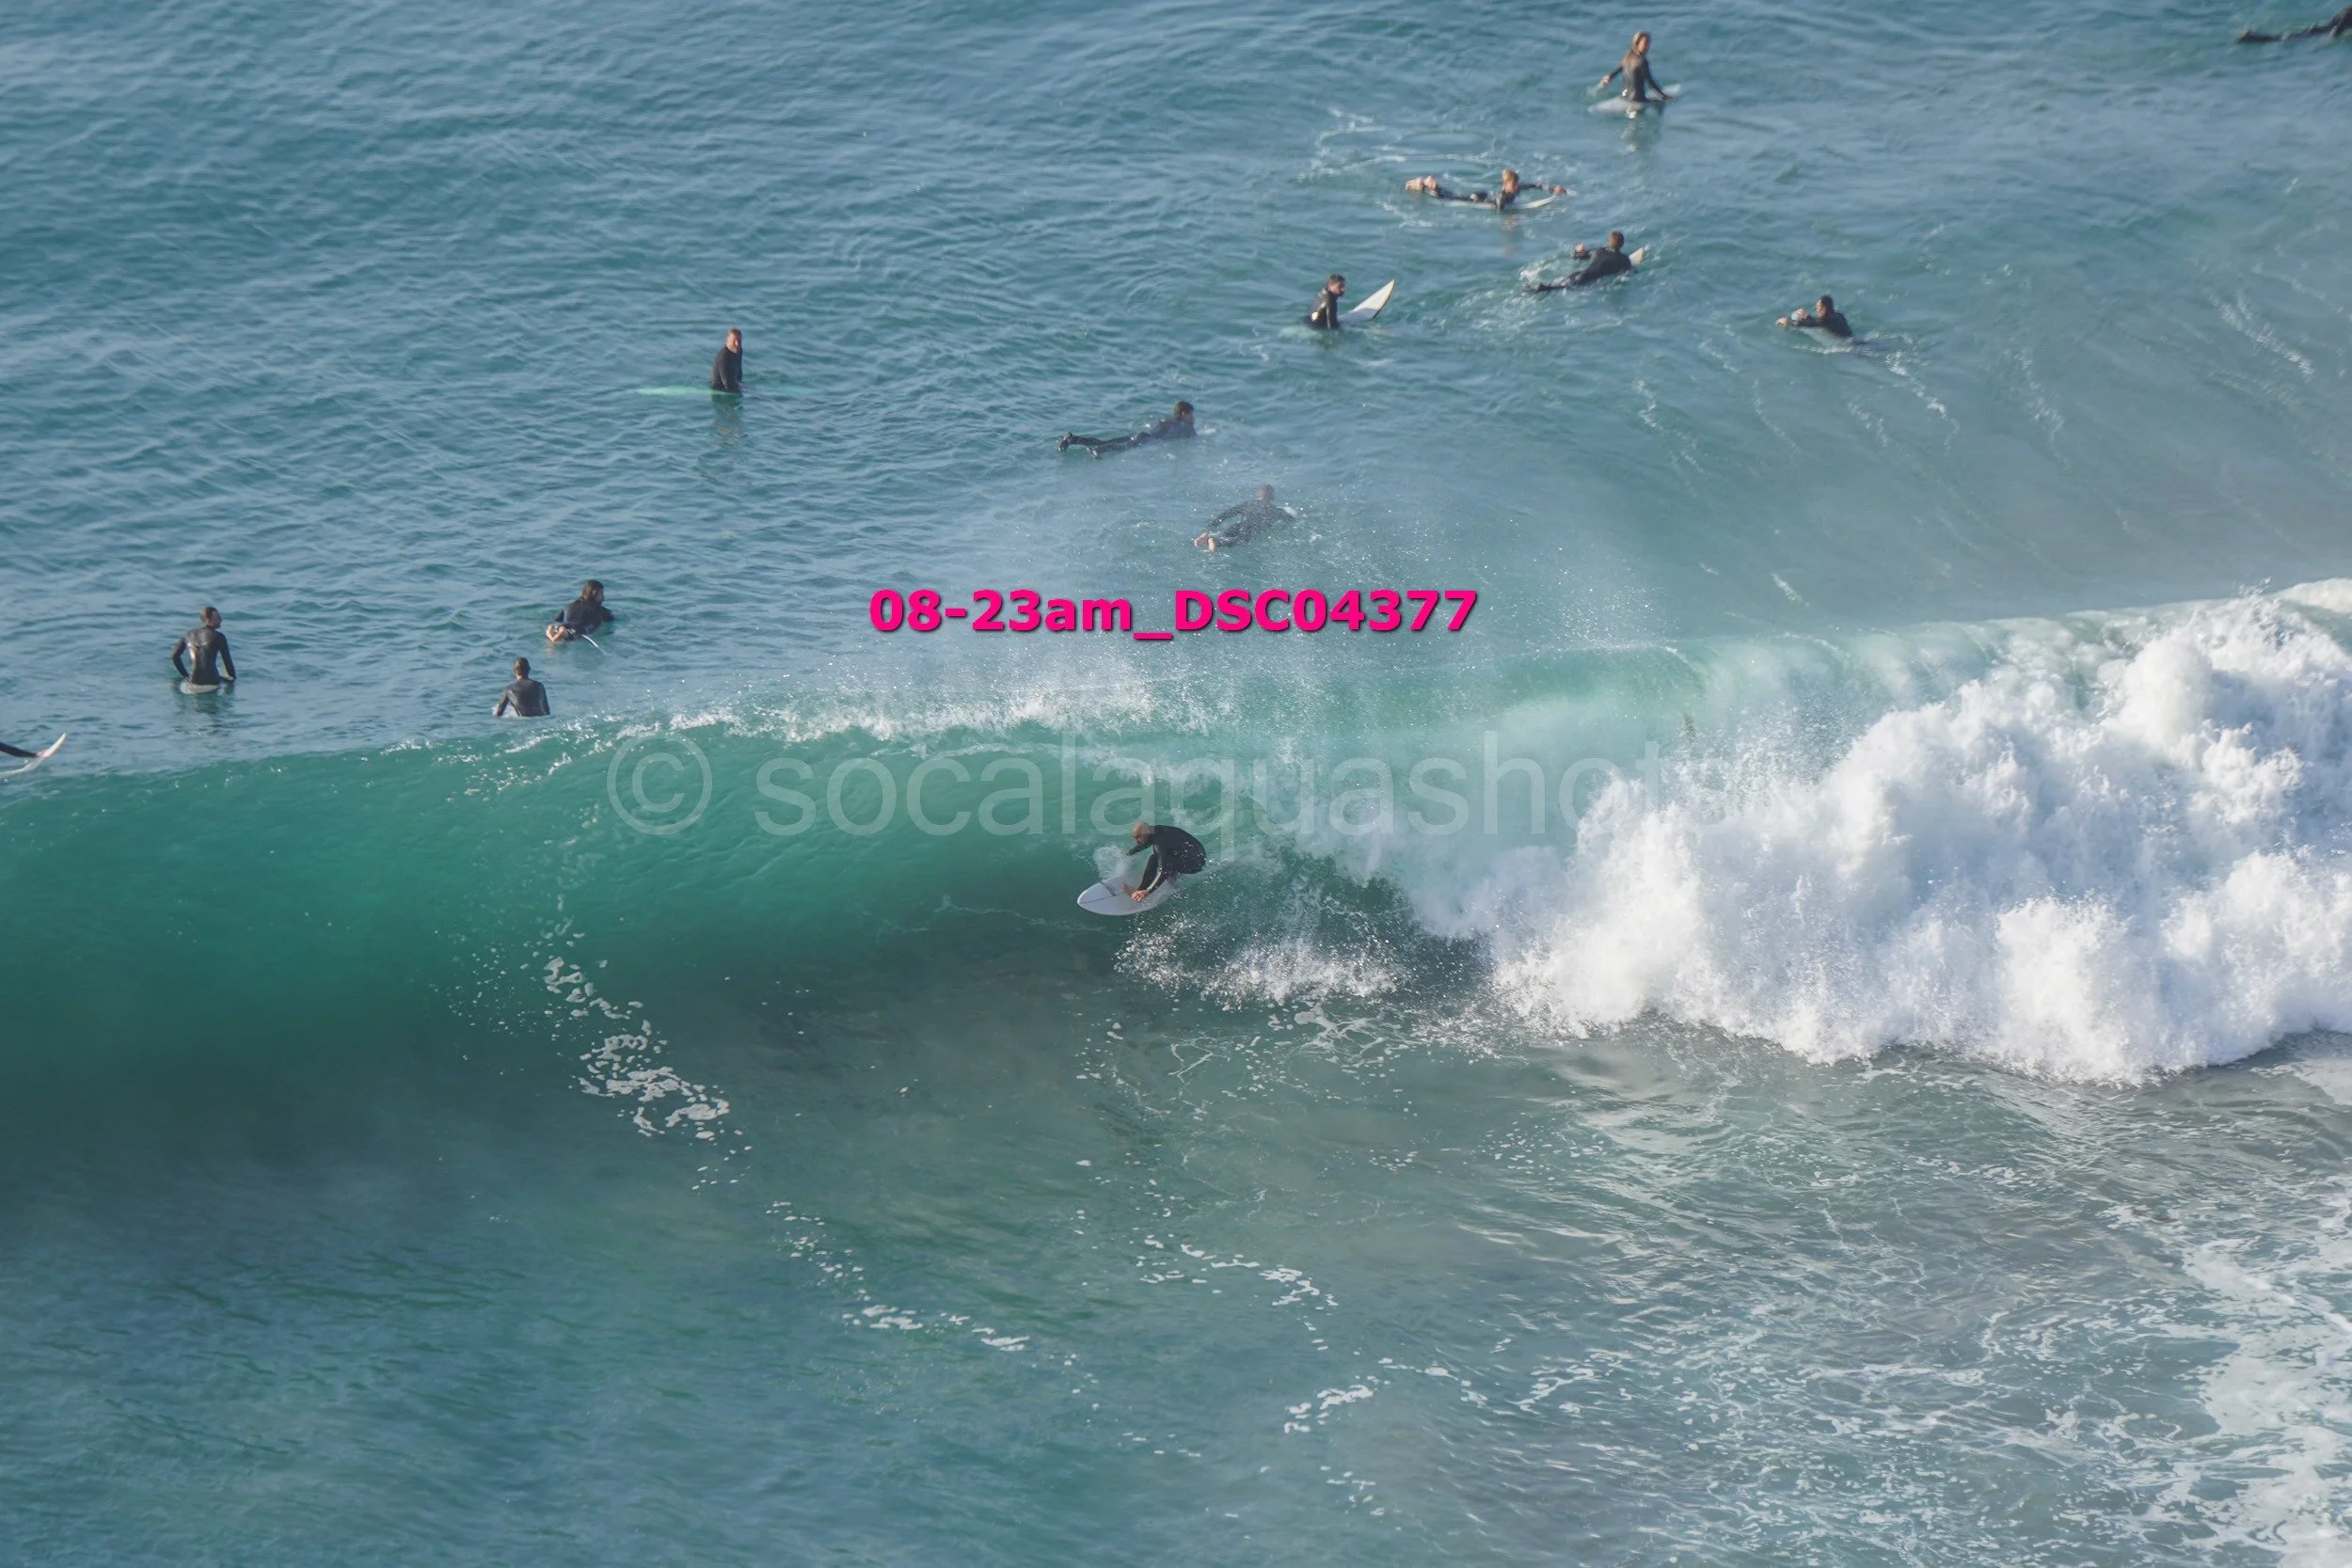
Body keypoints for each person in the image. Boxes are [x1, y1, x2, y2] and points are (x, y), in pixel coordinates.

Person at [1059, 401, 1196, 455]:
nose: (1193, 418)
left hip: (1140, 434)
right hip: (1145, 439)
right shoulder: (1183, 424)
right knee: (1121, 447)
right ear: (1184, 413)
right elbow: (1191, 435)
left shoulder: (1168, 419)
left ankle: (1073, 439)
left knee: (1105, 441)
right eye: (1191, 414)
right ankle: (1097, 450)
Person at [1194, 486, 1295, 551]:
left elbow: (1226, 514)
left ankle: (1206, 536)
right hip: (1249, 530)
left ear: (1258, 495)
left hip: (1237, 526)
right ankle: (1214, 541)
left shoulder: (1247, 504)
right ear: (1272, 498)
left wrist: (1212, 525)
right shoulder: (1274, 510)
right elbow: (1291, 520)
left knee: (1223, 535)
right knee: (1237, 541)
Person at [1405, 168, 1566, 210]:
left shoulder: (1515, 190)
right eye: (1513, 185)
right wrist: (1511, 221)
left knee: (1449, 194)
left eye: (1517, 184)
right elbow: (1500, 208)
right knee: (1447, 197)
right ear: (1506, 184)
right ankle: (1426, 185)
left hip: (1483, 194)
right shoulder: (1503, 194)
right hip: (1478, 199)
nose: (1516, 187)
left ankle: (1427, 184)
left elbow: (1535, 184)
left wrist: (1552, 189)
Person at [1528, 232, 1636, 292]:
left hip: (1578, 273)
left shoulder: (1598, 251)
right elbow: (1629, 272)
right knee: (1559, 288)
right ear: (1622, 244)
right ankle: (1544, 288)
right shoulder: (1623, 259)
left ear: (1608, 242)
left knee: (1559, 284)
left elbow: (1576, 256)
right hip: (1588, 280)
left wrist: (1577, 251)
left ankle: (1543, 286)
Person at [1128, 820, 1207, 900]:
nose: (1136, 840)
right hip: (1194, 854)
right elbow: (1144, 843)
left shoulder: (1160, 842)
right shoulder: (1153, 831)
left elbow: (1164, 869)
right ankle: (1143, 888)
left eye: (1138, 837)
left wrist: (1148, 891)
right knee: (1158, 858)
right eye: (1134, 837)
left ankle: (1142, 891)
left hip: (1196, 862)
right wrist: (1129, 853)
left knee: (1157, 860)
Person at [171, 607, 237, 689]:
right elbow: (228, 662)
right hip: (212, 681)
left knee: (177, 679)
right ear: (208, 621)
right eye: (218, 618)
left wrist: (186, 676)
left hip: (194, 680)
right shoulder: (219, 637)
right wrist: (233, 680)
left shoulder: (188, 634)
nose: (221, 620)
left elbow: (174, 656)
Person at [1598, 30, 1672, 104]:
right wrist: (1664, 96)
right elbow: (1650, 81)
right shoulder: (1642, 61)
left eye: (1649, 43)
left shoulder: (1628, 57)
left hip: (1624, 96)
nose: (1648, 46)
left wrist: (1610, 77)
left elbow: (1619, 68)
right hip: (1638, 99)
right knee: (1659, 105)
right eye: (1645, 43)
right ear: (1637, 43)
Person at [547, 579, 614, 643]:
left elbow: (557, 620)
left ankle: (552, 631)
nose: (603, 597)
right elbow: (611, 618)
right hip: (578, 629)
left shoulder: (569, 606)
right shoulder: (599, 609)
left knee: (558, 628)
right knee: (572, 635)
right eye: (601, 593)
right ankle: (563, 633)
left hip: (561, 625)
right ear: (594, 593)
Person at [2238, 6, 2352, 40]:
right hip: (2321, 33)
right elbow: (2345, 17)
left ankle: (2254, 37)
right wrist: (2334, 36)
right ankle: (2253, 38)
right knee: (2286, 39)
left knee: (2289, 37)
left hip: (2322, 29)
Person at [1778, 294, 1853, 339]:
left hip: (1850, 348)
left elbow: (1799, 324)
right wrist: (1807, 317)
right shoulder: (1838, 315)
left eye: (1818, 308)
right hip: (1853, 341)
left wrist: (1786, 321)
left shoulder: (1826, 321)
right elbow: (1818, 322)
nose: (1817, 310)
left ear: (1824, 309)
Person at [710, 328, 743, 394]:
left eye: (739, 341)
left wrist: (741, 385)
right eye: (734, 341)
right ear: (727, 341)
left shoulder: (739, 351)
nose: (737, 344)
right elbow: (728, 384)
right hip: (720, 390)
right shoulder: (724, 357)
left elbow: (739, 373)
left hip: (734, 384)